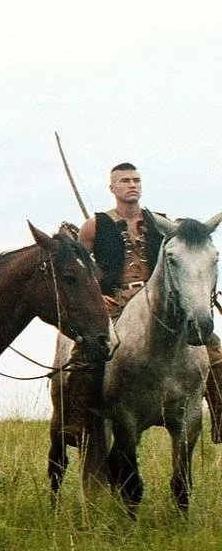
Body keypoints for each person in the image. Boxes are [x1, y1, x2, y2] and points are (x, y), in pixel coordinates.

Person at [70, 163, 222, 441]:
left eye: (136, 180)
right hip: (115, 302)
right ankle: (79, 419)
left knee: (212, 346)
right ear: (113, 187)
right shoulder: (94, 225)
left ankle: (220, 413)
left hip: (160, 303)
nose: (132, 185)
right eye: (125, 180)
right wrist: (94, 295)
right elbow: (78, 269)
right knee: (84, 352)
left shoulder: (162, 224)